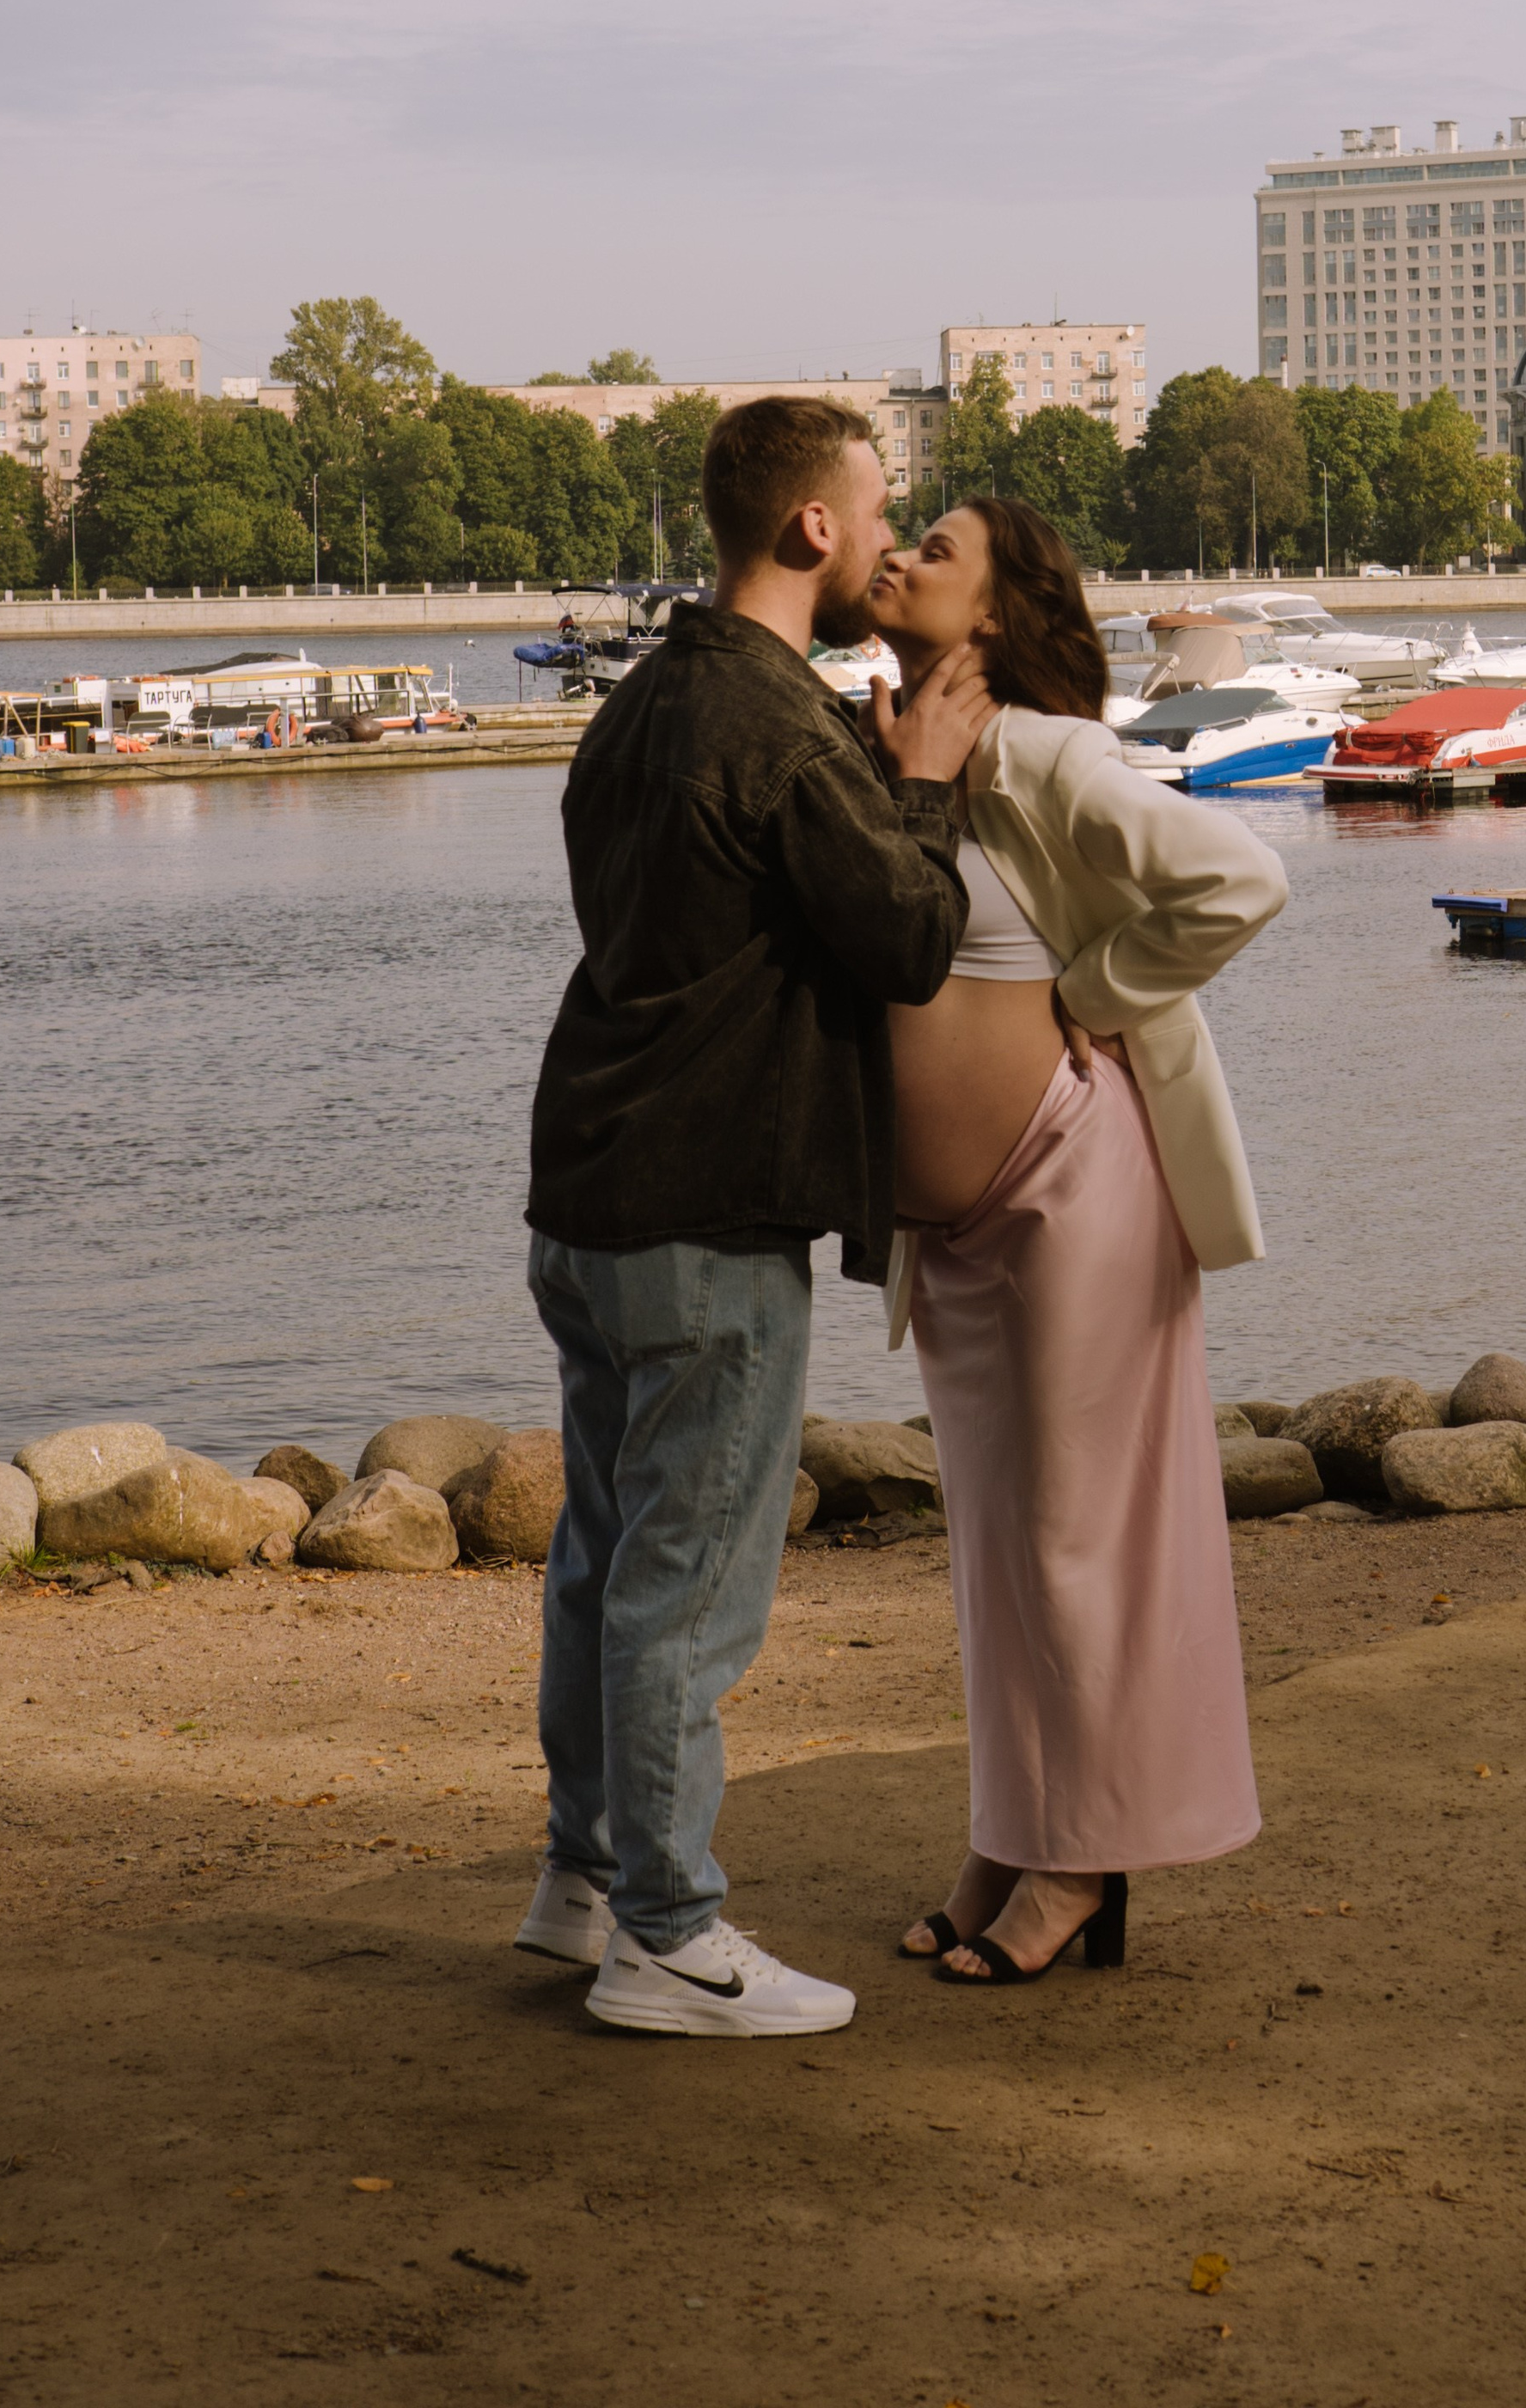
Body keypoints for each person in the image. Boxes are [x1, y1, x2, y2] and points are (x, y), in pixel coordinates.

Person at [518, 397, 990, 2038]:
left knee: (603, 1556)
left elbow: (688, 914)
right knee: (687, 1586)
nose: (888, 535)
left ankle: (585, 1882)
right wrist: (921, 777)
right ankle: (666, 1933)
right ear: (808, 528)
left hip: (586, 1185)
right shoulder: (785, 730)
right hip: (706, 1205)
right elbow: (914, 940)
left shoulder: (645, 701)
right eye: (878, 507)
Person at [868, 498, 1287, 1985]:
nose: (902, 551)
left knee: (1074, 1538)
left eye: (937, 545)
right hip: (963, 1230)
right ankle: (1013, 1831)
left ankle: (1086, 1862)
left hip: (1073, 1183)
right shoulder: (904, 753)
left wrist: (1092, 995)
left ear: (992, 616)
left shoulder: (1046, 751)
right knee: (996, 1543)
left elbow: (1240, 877)